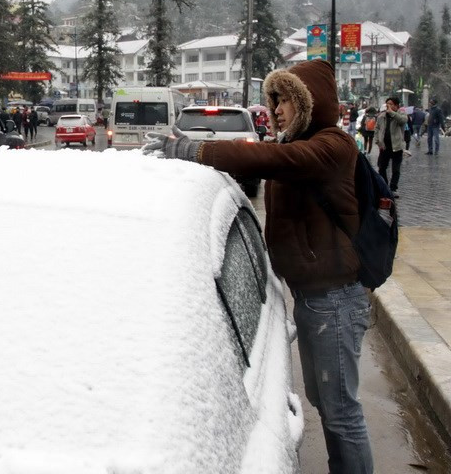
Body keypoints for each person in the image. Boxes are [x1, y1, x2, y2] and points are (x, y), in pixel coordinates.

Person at [145, 59, 373, 473]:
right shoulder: (294, 144)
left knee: (341, 414)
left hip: (334, 300)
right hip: (312, 296)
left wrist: (194, 150)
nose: (278, 108)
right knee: (327, 403)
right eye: (274, 99)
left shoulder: (332, 145)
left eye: (286, 99)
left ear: (311, 104)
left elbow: (270, 160)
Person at [374, 97, 407, 197]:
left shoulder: (401, 115)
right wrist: (378, 142)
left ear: (397, 106)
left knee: (395, 169)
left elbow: (402, 121)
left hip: (397, 146)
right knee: (382, 167)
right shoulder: (382, 116)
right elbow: (377, 129)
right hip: (385, 146)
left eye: (391, 104)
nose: (389, 105)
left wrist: (392, 112)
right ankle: (385, 187)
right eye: (387, 103)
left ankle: (393, 188)